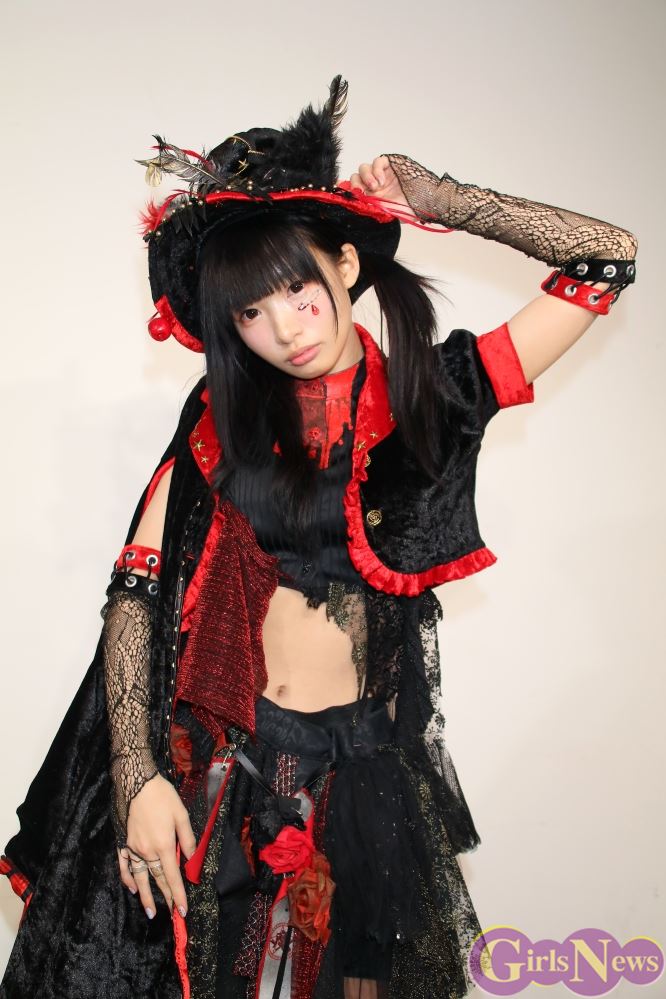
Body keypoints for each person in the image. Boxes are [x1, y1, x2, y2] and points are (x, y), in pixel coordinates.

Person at [0, 76, 637, 999]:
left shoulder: (436, 395)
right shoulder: (220, 421)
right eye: (249, 313)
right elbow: (137, 586)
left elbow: (606, 258)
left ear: (344, 264)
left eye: (297, 290)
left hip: (361, 782)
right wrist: (136, 772)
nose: (282, 330)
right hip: (218, 766)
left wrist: (443, 198)